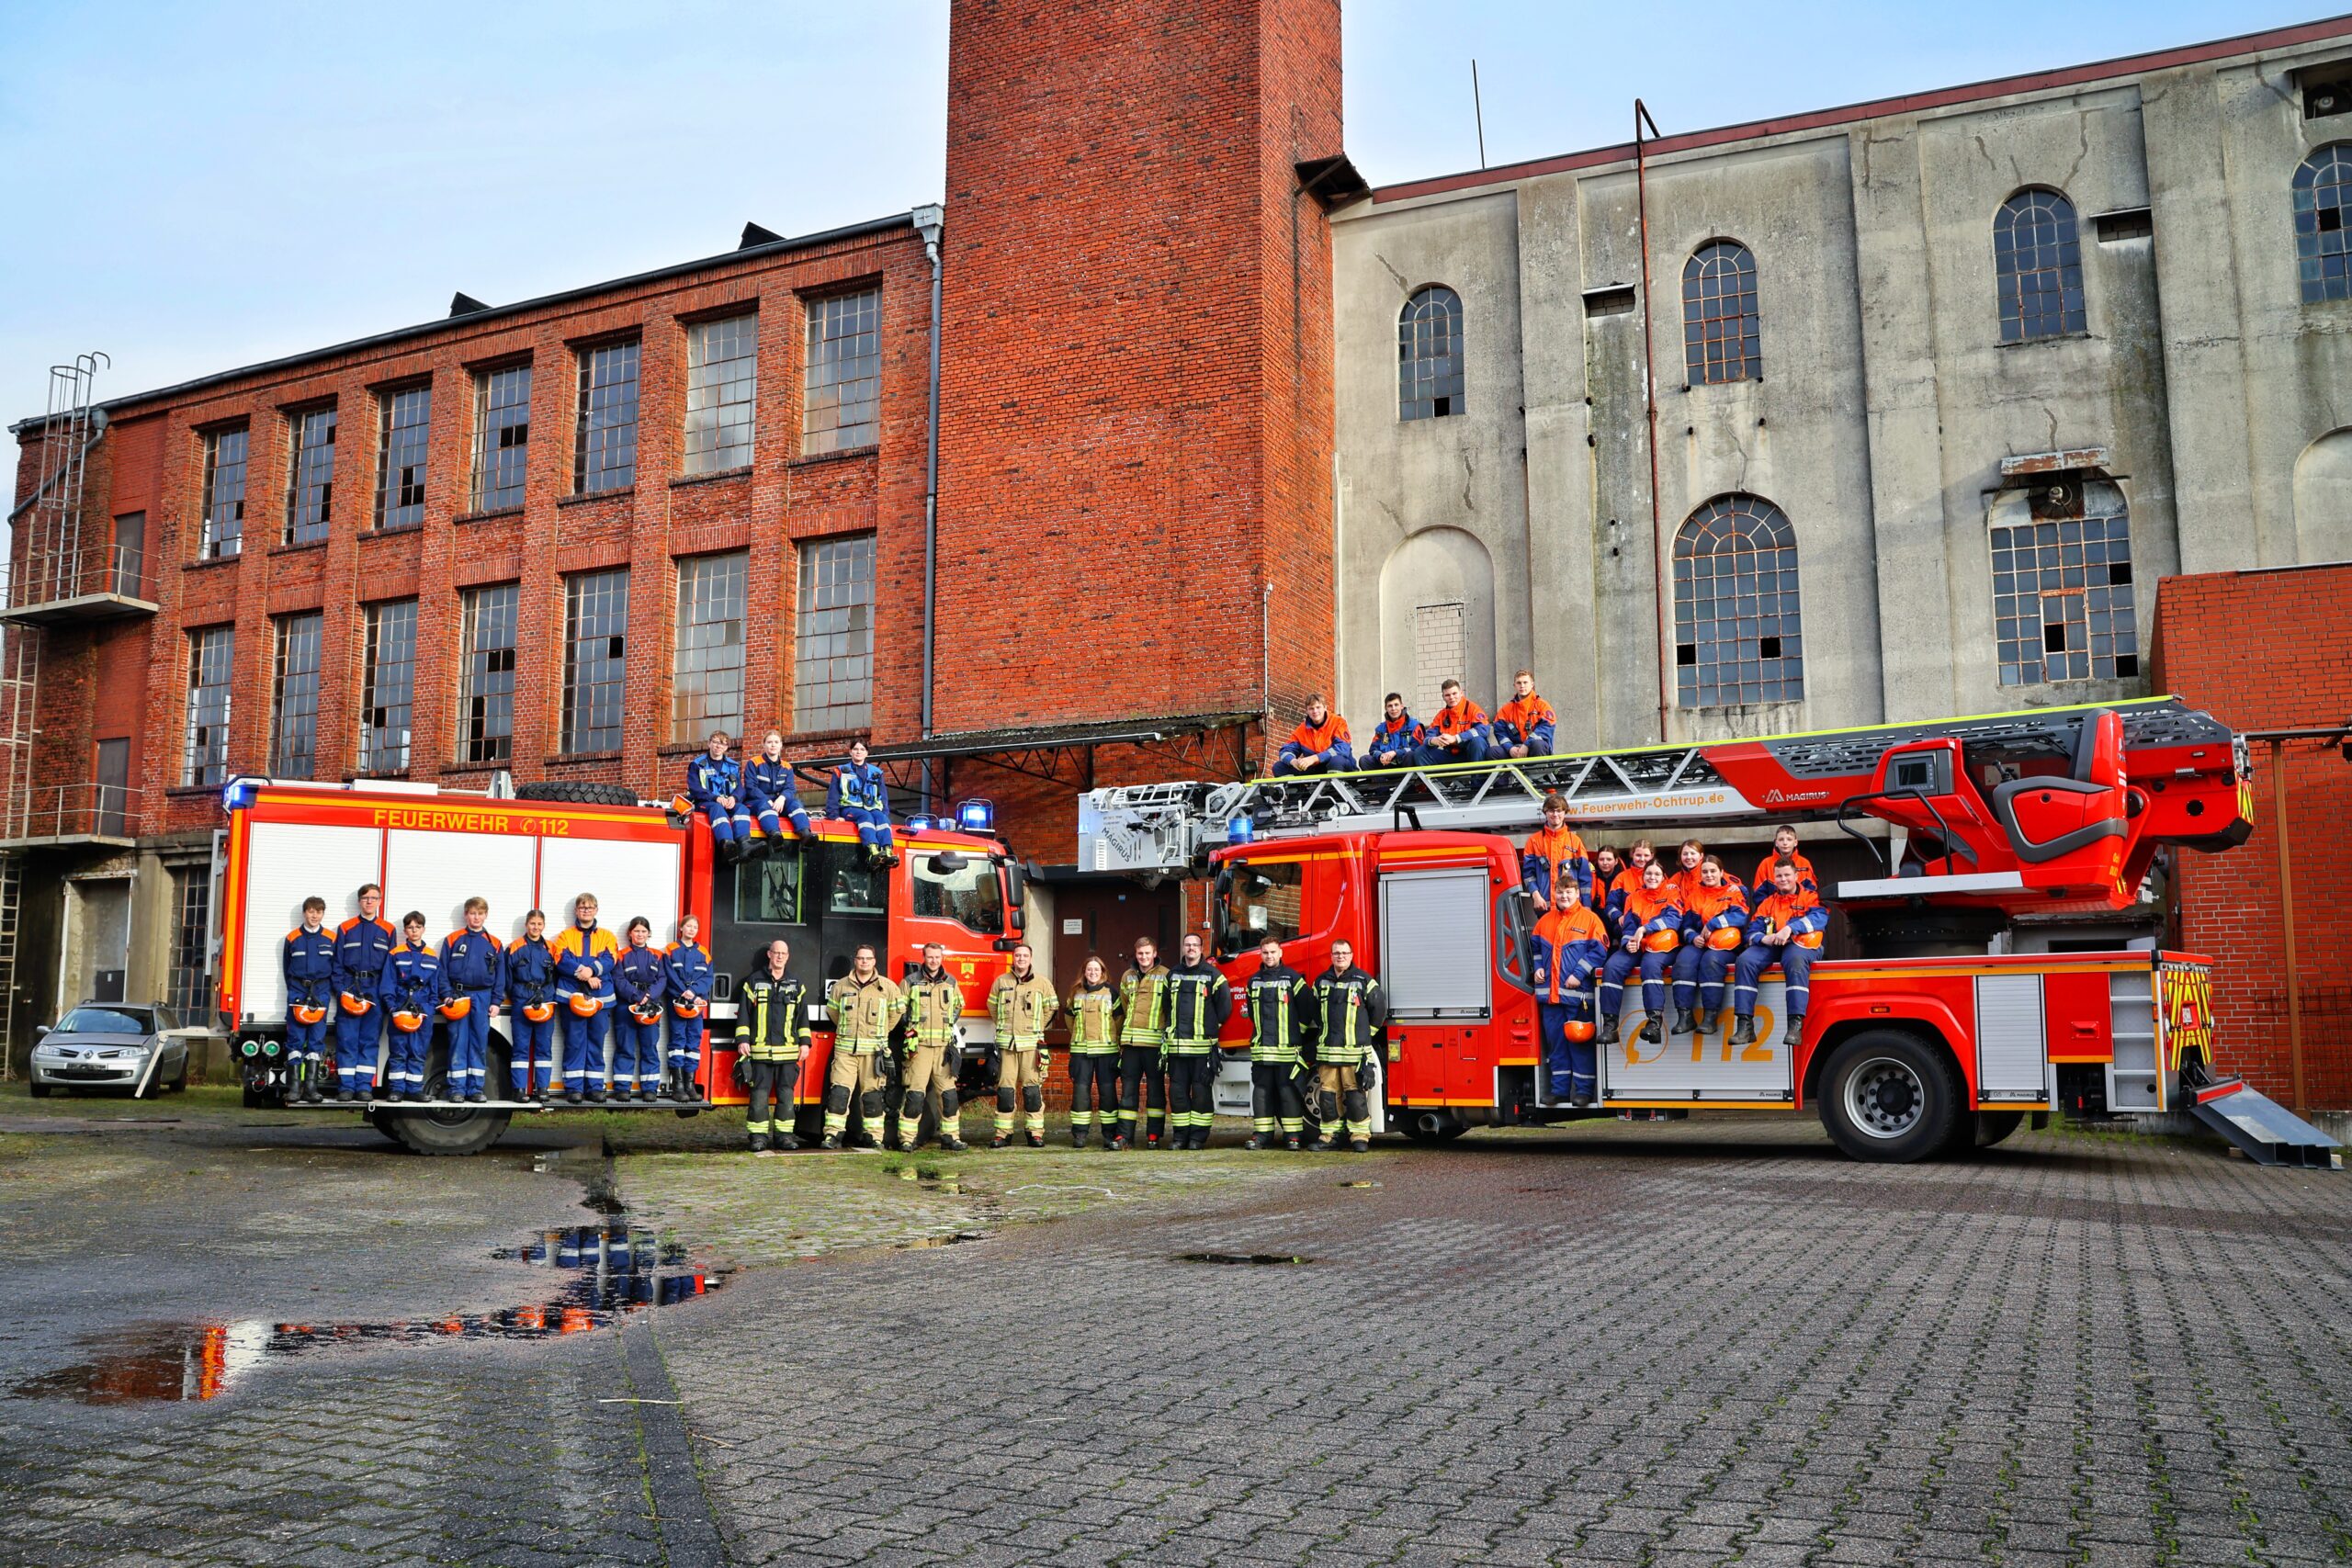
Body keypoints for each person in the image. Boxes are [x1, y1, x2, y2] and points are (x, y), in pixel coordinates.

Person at [1732, 857, 1828, 1047]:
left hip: (1802, 945)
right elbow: (1751, 932)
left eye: (1787, 875)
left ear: (1796, 876)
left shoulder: (1811, 897)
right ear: (1774, 878)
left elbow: (1820, 918)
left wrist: (1790, 929)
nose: (1783, 879)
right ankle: (1745, 1026)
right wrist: (1763, 939)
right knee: (1744, 961)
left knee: (1795, 960)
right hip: (1772, 945)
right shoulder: (1768, 903)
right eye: (1779, 876)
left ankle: (1795, 1025)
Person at [1532, 881, 1610, 1105]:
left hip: (1578, 997)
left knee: (1580, 1045)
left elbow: (1600, 951)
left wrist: (1578, 974)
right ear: (1554, 894)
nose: (1564, 896)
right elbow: (1535, 949)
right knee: (1556, 1046)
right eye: (1560, 892)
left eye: (1568, 892)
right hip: (1551, 998)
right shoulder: (1544, 921)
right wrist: (1538, 967)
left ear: (1577, 893)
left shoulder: (1590, 919)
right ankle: (1560, 1091)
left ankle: (1584, 1092)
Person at [733, 938, 810, 1151]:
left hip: (788, 1053)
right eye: (776, 953)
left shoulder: (796, 984)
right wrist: (742, 1040)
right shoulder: (754, 981)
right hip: (761, 1052)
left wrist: (805, 1043)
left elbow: (802, 1017)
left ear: (788, 956)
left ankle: (784, 1137)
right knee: (759, 1096)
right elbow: (744, 1014)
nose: (779, 957)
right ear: (769, 954)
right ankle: (758, 1138)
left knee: (786, 1096)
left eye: (783, 953)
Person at [1310, 939, 1385, 1152]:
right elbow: (1314, 1010)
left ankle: (1359, 1137)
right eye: (1336, 953)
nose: (1340, 956)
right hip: (1328, 1052)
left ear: (1351, 955)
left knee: (1355, 1097)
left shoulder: (1363, 980)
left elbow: (1378, 1009)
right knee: (1327, 1097)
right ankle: (1330, 1137)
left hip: (1354, 1053)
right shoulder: (1321, 981)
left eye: (1344, 953)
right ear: (1331, 956)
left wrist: (1365, 1035)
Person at [821, 943, 899, 1149]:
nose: (864, 962)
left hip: (874, 1053)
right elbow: (833, 1013)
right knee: (839, 1094)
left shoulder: (888, 987)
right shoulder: (841, 986)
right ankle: (832, 1135)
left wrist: (881, 1033)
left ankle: (873, 1137)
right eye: (860, 958)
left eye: (868, 958)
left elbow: (895, 1014)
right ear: (855, 960)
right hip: (845, 1051)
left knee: (872, 1096)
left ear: (874, 962)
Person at [1598, 861, 1682, 1048]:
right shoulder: (1634, 897)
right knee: (1612, 967)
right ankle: (1610, 1027)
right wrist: (1628, 943)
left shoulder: (1671, 893)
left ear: (1663, 877)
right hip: (1638, 944)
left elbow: (1674, 919)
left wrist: (1645, 929)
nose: (1652, 877)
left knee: (1650, 966)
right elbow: (1629, 926)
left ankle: (1654, 1024)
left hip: (1663, 945)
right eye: (1648, 874)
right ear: (1643, 877)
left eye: (1657, 874)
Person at [1243, 935, 1313, 1150]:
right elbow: (1253, 1013)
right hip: (1262, 1051)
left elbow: (1307, 1009)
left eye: (1273, 952)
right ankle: (1261, 1136)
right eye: (1265, 952)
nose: (1269, 956)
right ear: (1260, 954)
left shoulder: (1293, 979)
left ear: (1281, 953)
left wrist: (1296, 1034)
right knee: (1261, 1093)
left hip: (1287, 1051)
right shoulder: (1253, 981)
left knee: (1287, 1092)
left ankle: (1293, 1136)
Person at [1164, 931, 1233, 1150]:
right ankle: (1180, 1137)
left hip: (1203, 1049)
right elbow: (1166, 1006)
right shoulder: (1173, 974)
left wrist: (1211, 1027)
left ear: (1201, 949)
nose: (1191, 948)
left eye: (1195, 945)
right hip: (1177, 1049)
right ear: (1183, 948)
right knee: (1177, 1094)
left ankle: (1197, 1138)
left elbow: (1225, 1008)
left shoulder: (1213, 975)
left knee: (1201, 1094)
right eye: (1187, 945)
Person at [987, 942, 1058, 1148]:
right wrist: (1004, 1025)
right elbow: (992, 1006)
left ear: (1030, 958)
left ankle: (1035, 1133)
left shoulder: (1042, 983)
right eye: (1018, 955)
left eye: (1025, 956)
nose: (1021, 959)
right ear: (1013, 958)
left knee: (1032, 1091)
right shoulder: (1001, 981)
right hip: (1007, 1046)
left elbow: (1052, 1008)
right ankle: (1003, 1134)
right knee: (1005, 1092)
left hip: (1031, 1046)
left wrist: (1037, 1026)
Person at [899, 942, 967, 1152]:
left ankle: (951, 1137)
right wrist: (910, 1028)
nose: (934, 961)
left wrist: (948, 1023)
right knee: (915, 1095)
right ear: (924, 957)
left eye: (937, 957)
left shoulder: (951, 982)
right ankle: (907, 1139)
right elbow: (899, 1010)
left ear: (942, 958)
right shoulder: (910, 982)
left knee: (949, 1096)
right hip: (918, 1048)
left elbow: (959, 1005)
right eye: (930, 957)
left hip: (943, 1049)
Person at [330, 883, 395, 1101]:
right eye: (366, 898)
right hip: (350, 987)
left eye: (373, 898)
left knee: (369, 1040)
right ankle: (346, 1088)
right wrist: (341, 991)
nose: (369, 902)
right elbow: (337, 964)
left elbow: (390, 968)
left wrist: (385, 994)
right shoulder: (346, 928)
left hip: (374, 989)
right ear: (359, 901)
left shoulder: (388, 930)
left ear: (379, 902)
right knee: (347, 1039)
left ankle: (364, 1087)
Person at [1671, 855, 1749, 1036]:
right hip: (1699, 943)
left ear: (1721, 872)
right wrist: (1692, 937)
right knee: (1683, 961)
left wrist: (1713, 924)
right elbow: (1686, 925)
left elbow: (1741, 917)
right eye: (1705, 872)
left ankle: (1710, 1018)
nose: (1709, 875)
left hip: (1726, 946)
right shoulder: (1694, 896)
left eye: (1713, 871)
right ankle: (1685, 1016)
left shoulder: (1733, 891)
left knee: (1711, 961)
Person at [438, 897, 505, 1104]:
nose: (476, 917)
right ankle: (457, 1089)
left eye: (480, 913)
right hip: (458, 996)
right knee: (458, 1042)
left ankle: (476, 1089)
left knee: (479, 1043)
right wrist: (446, 994)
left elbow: (501, 976)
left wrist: (496, 1002)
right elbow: (442, 971)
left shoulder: (494, 943)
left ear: (486, 916)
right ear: (466, 915)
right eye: (473, 913)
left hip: (483, 997)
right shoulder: (453, 940)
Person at [552, 894, 619, 1102]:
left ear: (596, 910)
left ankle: (595, 1088)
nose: (586, 911)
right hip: (572, 997)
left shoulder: (607, 936)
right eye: (582, 907)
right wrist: (586, 973)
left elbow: (611, 958)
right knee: (574, 1042)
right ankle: (574, 1089)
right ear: (576, 911)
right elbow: (561, 959)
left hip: (600, 999)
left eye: (590, 908)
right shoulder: (565, 936)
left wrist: (591, 970)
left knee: (596, 1043)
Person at [1113, 938, 1173, 1150]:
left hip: (1154, 1044)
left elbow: (1169, 1007)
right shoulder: (1127, 976)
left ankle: (1154, 1135)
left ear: (1155, 953)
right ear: (1135, 954)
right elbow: (1125, 1005)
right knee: (1128, 1091)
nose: (1144, 957)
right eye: (1140, 953)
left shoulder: (1166, 975)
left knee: (1156, 1091)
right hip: (1130, 1044)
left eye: (1147, 953)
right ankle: (1124, 1136)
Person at [379, 911, 442, 1103]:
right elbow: (388, 983)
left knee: (418, 1052)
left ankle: (414, 1090)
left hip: (422, 1011)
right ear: (405, 930)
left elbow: (435, 987)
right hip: (400, 1007)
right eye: (410, 927)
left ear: (423, 929)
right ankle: (396, 1090)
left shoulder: (432, 956)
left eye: (417, 927)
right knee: (398, 1051)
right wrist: (392, 1007)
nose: (414, 931)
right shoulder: (395, 954)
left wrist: (430, 1008)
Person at [281, 897, 336, 1103]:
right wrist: (295, 989)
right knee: (295, 1040)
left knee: (316, 1040)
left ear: (323, 914)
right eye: (311, 911)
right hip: (298, 992)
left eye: (318, 912)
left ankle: (311, 1088)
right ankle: (294, 1088)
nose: (314, 916)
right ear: (304, 913)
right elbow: (287, 968)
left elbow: (336, 966)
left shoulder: (331, 938)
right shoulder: (292, 938)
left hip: (320, 993)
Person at [1063, 955, 1121, 1148]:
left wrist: (1110, 1037)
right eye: (1089, 969)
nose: (1093, 973)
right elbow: (1069, 1019)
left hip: (1106, 1051)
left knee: (1108, 1093)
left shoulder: (1111, 992)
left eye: (1096, 969)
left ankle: (1109, 1134)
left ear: (1103, 972)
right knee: (1081, 1094)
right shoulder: (1075, 993)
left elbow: (1119, 1019)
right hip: (1081, 1051)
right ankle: (1080, 1134)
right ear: (1084, 972)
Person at [612, 917, 668, 1102]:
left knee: (649, 1047)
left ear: (649, 934)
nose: (640, 934)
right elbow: (618, 980)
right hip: (626, 1006)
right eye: (636, 931)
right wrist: (637, 996)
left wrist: (649, 997)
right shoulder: (621, 955)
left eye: (644, 931)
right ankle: (622, 1088)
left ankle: (650, 1089)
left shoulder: (657, 955)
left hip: (651, 1007)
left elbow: (662, 979)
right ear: (630, 933)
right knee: (625, 1047)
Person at [504, 908, 559, 1101]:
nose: (536, 927)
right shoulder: (515, 947)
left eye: (539, 924)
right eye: (532, 923)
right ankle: (519, 1089)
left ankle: (542, 1088)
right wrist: (517, 994)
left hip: (545, 1000)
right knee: (521, 1046)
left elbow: (558, 975)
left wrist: (549, 995)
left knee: (544, 1045)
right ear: (526, 925)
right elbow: (507, 977)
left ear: (544, 926)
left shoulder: (551, 948)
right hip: (522, 1000)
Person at [662, 915, 714, 1102]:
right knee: (677, 1041)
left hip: (696, 1003)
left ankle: (690, 1086)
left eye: (695, 927)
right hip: (677, 1001)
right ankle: (678, 1087)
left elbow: (708, 978)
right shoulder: (670, 950)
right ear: (681, 929)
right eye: (688, 926)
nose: (692, 929)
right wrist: (684, 992)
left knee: (693, 1042)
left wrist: (694, 991)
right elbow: (669, 975)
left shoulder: (704, 953)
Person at [827, 739, 898, 868]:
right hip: (849, 808)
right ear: (850, 752)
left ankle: (887, 851)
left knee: (882, 818)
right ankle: (873, 851)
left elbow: (883, 797)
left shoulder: (876, 773)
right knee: (866, 816)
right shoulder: (841, 771)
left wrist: (884, 813)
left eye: (862, 749)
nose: (858, 752)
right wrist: (834, 816)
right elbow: (833, 795)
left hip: (871, 808)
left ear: (866, 753)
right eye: (855, 749)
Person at [743, 729, 817, 848]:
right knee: (764, 805)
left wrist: (782, 798)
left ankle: (805, 834)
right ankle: (774, 834)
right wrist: (766, 800)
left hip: (779, 802)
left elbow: (790, 788)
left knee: (796, 804)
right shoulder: (754, 763)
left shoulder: (787, 767)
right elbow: (750, 787)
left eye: (776, 742)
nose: (773, 745)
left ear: (781, 745)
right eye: (769, 742)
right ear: (764, 745)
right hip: (756, 802)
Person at [687, 730, 752, 863]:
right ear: (709, 744)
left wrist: (734, 798)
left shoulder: (733, 766)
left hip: (728, 802)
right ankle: (727, 844)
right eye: (715, 742)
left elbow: (740, 788)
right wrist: (715, 798)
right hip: (706, 803)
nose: (718, 746)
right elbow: (695, 788)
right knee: (717, 808)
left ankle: (744, 843)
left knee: (742, 808)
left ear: (726, 747)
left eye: (722, 743)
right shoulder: (697, 764)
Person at [1521, 794, 1594, 907]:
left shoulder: (1575, 841)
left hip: (1571, 908)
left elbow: (1585, 878)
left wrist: (1587, 905)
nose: (1555, 814)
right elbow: (1528, 875)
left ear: (1565, 812)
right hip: (1545, 907)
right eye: (1551, 810)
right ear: (1545, 812)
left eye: (1559, 810)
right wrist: (1536, 896)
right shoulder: (1533, 841)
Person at [1272, 695, 1355, 777]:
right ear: (1307, 711)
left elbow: (1342, 749)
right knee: (1279, 767)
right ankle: (1298, 786)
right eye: (1311, 708)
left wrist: (1314, 758)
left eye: (1318, 707)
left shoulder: (1338, 722)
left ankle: (1334, 786)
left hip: (1342, 766)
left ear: (1325, 708)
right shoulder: (1302, 729)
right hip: (1316, 769)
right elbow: (1285, 751)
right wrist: (1294, 762)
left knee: (1336, 761)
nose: (1315, 711)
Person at [1414, 678, 1491, 766]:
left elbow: (1484, 729)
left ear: (1461, 693)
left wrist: (1456, 738)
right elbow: (1428, 736)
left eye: (1454, 693)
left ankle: (1478, 775)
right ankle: (1435, 776)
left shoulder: (1473, 709)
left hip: (1471, 754)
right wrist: (1433, 740)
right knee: (1420, 751)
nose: (1451, 697)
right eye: (1447, 695)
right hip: (1451, 755)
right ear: (1443, 697)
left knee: (1478, 741)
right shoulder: (1441, 715)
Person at [1491, 670, 1558, 760]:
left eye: (1525, 682)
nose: (1522, 686)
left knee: (1538, 744)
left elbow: (1546, 729)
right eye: (1519, 683)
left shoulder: (1542, 706)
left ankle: (1538, 769)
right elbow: (1500, 732)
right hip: (1514, 751)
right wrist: (1510, 748)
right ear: (1514, 685)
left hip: (1535, 748)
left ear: (1532, 685)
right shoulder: (1505, 710)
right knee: (1493, 752)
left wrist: (1527, 744)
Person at [1750, 826, 1818, 906]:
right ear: (1776, 842)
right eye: (1781, 839)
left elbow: (1811, 892)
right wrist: (1772, 909)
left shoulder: (1804, 863)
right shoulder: (1765, 864)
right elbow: (1759, 894)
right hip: (1773, 911)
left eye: (1789, 839)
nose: (1785, 843)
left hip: (1800, 910)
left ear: (1795, 842)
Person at [1357, 694, 1424, 771]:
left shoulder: (1414, 726)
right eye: (1390, 706)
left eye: (1396, 705)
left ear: (1402, 706)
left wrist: (1396, 752)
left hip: (1406, 764)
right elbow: (1373, 750)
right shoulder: (1381, 729)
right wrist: (1380, 756)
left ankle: (1408, 779)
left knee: (1411, 755)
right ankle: (1381, 779)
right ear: (1386, 708)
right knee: (1364, 760)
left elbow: (1418, 748)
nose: (1393, 708)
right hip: (1386, 765)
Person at [1589, 847, 1625, 943]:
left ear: (1616, 861)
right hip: (1598, 917)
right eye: (1601, 859)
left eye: (1609, 859)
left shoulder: (1623, 878)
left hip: (1618, 917)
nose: (1605, 863)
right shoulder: (1591, 877)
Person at [1670, 839, 1708, 910]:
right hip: (1684, 915)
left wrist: (1732, 887)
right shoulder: (1676, 879)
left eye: (1693, 853)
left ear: (1701, 856)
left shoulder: (1710, 874)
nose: (1689, 857)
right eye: (1685, 854)